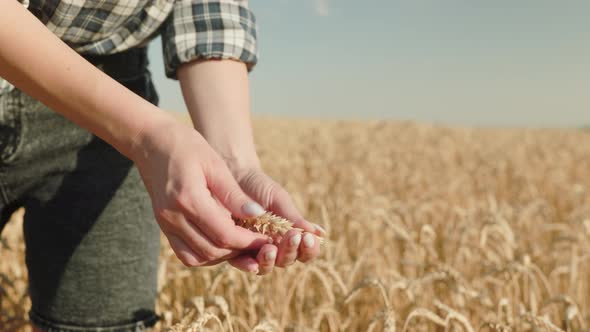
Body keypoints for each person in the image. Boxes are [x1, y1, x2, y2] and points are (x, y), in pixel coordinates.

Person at [0, 1, 324, 331]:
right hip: (122, 115)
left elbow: (209, 12)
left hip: (110, 94)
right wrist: (146, 134)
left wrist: (234, 165)